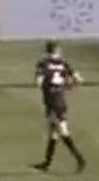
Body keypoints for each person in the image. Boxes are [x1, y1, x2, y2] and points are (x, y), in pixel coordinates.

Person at [31, 41, 87, 173]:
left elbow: (38, 82)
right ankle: (47, 163)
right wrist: (67, 86)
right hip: (60, 100)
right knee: (53, 132)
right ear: (57, 50)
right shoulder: (63, 63)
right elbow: (79, 80)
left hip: (51, 101)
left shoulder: (43, 63)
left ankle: (80, 160)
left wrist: (45, 84)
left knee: (62, 131)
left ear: (47, 50)